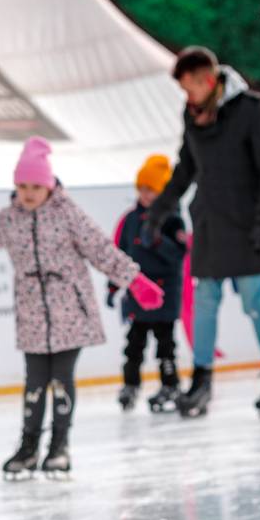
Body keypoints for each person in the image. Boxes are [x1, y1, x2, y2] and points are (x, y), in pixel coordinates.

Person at [0, 137, 163, 478]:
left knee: (61, 379)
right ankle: (28, 447)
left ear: (49, 185)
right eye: (22, 186)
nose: (28, 193)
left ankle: (59, 447)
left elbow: (100, 250)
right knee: (35, 381)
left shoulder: (68, 214)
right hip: (32, 312)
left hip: (70, 311)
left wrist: (135, 281)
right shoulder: (11, 219)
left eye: (36, 186)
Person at [146, 46, 260, 419]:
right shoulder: (193, 116)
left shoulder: (252, 110)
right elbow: (186, 167)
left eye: (190, 87)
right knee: (206, 303)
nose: (187, 96)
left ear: (209, 80)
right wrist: (159, 210)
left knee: (255, 303)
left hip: (248, 227)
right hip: (211, 226)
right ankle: (201, 382)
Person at [111, 154, 188, 413]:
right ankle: (130, 384)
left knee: (165, 345)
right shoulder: (131, 219)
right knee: (134, 344)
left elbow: (179, 255)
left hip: (165, 294)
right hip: (138, 296)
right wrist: (114, 285)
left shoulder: (172, 219)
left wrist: (157, 241)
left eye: (151, 190)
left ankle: (170, 384)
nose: (145, 195)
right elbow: (119, 255)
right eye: (142, 189)